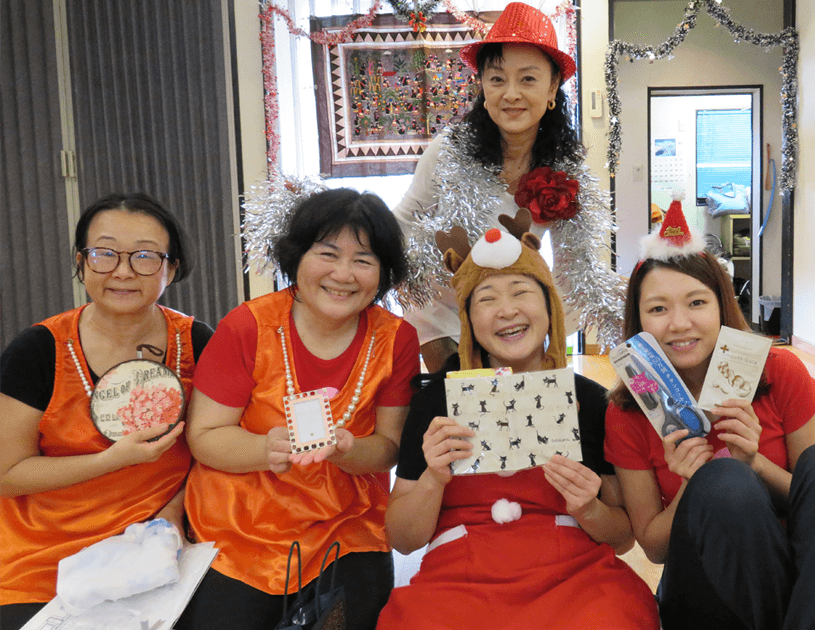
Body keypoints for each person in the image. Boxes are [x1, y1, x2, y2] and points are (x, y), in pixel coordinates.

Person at [376, 218, 660, 629]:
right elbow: (404, 540)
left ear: (549, 306)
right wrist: (434, 478)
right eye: (486, 299)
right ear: (468, 320)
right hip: (457, 580)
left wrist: (589, 507)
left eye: (521, 292)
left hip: (577, 577)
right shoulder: (436, 402)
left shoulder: (591, 402)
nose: (507, 310)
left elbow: (622, 539)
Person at [178, 188, 420, 630]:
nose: (343, 274)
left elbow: (388, 448)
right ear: (297, 256)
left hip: (348, 525)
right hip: (239, 525)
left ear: (383, 272)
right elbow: (205, 436)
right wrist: (263, 449)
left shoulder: (396, 339)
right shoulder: (248, 327)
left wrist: (348, 450)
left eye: (363, 260)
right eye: (328, 254)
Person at [604, 198, 815, 629]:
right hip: (704, 587)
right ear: (638, 320)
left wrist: (755, 463)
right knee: (723, 481)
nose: (679, 323)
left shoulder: (778, 372)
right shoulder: (628, 411)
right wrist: (692, 486)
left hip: (803, 583)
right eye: (658, 309)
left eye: (696, 303)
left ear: (722, 306)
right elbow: (654, 547)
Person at [0, 192, 212, 630]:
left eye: (145, 256)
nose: (123, 271)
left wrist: (175, 512)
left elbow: (215, 448)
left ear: (171, 268)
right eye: (104, 253)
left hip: (159, 546)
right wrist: (110, 461)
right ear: (81, 263)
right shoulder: (38, 350)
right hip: (44, 555)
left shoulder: (198, 343)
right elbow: (6, 473)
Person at [393, 2, 625, 372]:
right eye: (497, 79)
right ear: (483, 87)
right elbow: (402, 223)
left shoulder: (567, 170)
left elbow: (575, 267)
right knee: (460, 398)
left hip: (513, 315)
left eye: (528, 79)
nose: (511, 94)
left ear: (552, 87)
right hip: (442, 315)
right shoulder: (448, 151)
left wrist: (543, 323)